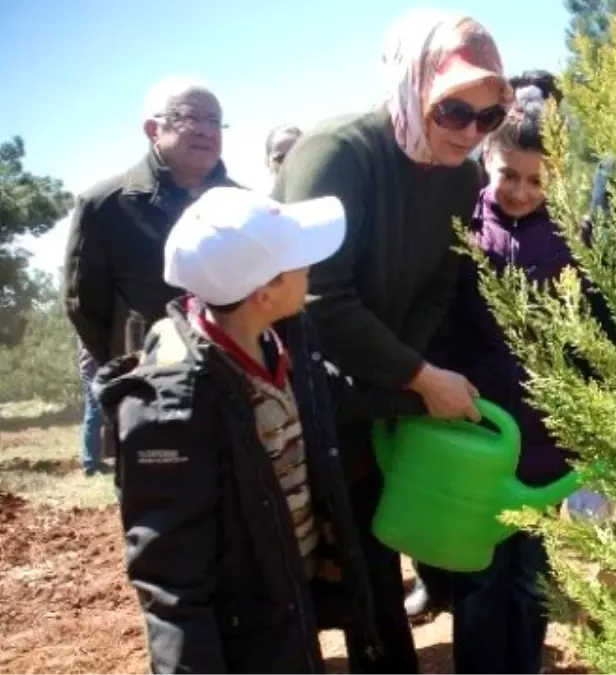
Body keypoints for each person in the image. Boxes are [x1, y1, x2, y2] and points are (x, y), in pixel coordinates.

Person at [271, 10, 510, 673]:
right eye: (455, 109)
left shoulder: (461, 175)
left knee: (375, 565)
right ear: (410, 83)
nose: (469, 132)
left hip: (382, 390)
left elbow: (442, 283)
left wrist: (405, 377)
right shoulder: (337, 154)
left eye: (487, 119)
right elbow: (320, 299)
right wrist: (418, 377)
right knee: (303, 572)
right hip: (303, 399)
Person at [94, 187, 401, 674]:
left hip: (286, 597)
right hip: (244, 633)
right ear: (265, 291)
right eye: (300, 262)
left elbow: (330, 399)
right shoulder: (174, 405)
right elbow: (171, 580)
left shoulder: (278, 341)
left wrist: (422, 389)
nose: (311, 271)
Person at [437, 82, 589, 675]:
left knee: (530, 579)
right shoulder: (462, 230)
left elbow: (589, 335)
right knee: (477, 576)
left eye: (536, 180)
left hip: (545, 448)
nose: (521, 191)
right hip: (477, 437)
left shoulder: (575, 239)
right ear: (485, 162)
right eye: (509, 176)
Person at [64, 75, 237, 369]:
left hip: (234, 378)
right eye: (190, 117)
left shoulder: (243, 204)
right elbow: (84, 305)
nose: (207, 131)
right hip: (151, 385)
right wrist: (128, 366)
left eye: (214, 120)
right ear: (152, 130)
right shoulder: (107, 205)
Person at [76, 340, 106, 476]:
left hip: (98, 368)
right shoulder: (89, 323)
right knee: (94, 410)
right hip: (92, 368)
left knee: (98, 411)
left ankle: (95, 459)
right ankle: (90, 464)